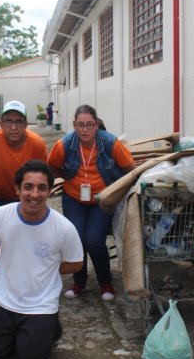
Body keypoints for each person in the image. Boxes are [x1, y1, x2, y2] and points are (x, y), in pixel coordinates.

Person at [0, 160, 83, 359]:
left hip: (40, 305)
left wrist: (49, 268)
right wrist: (11, 260)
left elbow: (76, 263)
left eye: (42, 188)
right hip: (4, 301)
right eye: (28, 187)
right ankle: (29, 334)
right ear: (17, 189)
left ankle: (50, 327)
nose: (34, 194)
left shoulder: (63, 227)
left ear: (50, 192)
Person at [47, 105, 136, 301]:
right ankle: (79, 281)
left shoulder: (110, 143)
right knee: (75, 238)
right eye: (80, 125)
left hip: (102, 199)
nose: (85, 130)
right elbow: (52, 165)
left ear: (96, 124)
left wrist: (118, 192)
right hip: (73, 199)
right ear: (74, 126)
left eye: (89, 125)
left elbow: (131, 169)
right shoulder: (65, 145)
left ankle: (105, 282)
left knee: (94, 241)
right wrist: (68, 178)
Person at [0, 100, 47, 205]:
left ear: (26, 124)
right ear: (1, 124)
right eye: (8, 121)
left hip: (28, 198)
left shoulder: (37, 144)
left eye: (19, 121)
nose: (13, 127)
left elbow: (41, 176)